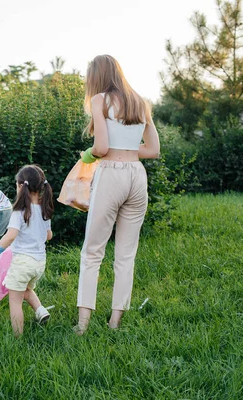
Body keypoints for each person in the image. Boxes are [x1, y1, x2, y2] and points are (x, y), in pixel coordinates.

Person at [75, 55, 160, 334]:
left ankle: (83, 324)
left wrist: (88, 155)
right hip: (137, 176)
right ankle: (115, 322)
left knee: (92, 251)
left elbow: (99, 147)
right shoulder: (139, 101)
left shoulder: (100, 100)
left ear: (97, 77)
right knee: (126, 255)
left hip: (111, 173)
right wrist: (126, 150)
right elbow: (153, 150)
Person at [0, 165, 54, 337]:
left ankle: (17, 338)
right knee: (25, 289)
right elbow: (49, 236)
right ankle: (40, 310)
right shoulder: (44, 210)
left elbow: (10, 236)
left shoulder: (19, 211)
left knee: (15, 301)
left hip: (22, 262)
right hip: (39, 263)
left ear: (21, 186)